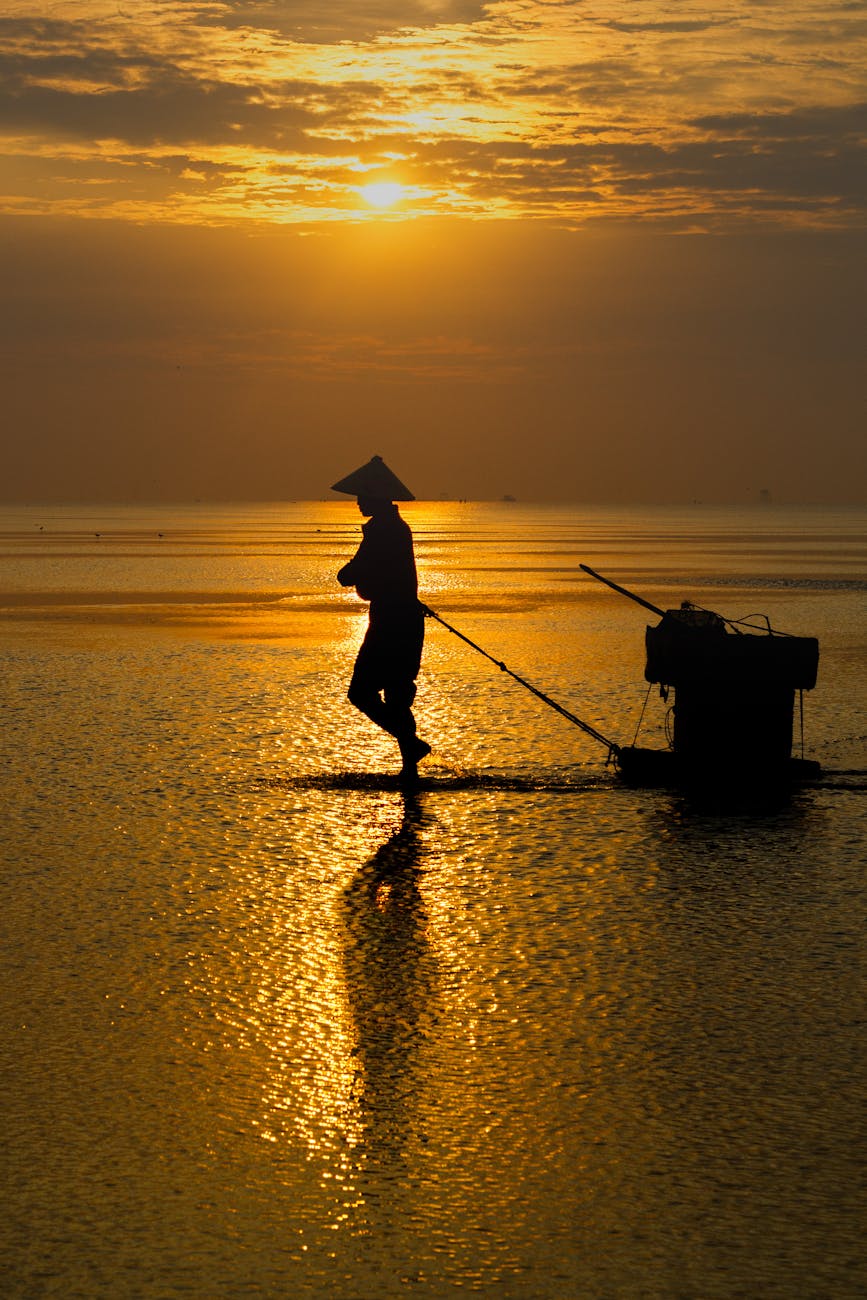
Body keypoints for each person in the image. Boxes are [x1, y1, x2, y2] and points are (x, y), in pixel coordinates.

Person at [333, 455, 430, 782]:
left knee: (361, 693)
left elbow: (351, 573)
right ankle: (410, 769)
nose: (359, 502)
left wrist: (347, 573)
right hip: (405, 620)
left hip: (391, 623)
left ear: (375, 496)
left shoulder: (382, 529)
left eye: (363, 496)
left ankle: (410, 746)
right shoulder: (397, 527)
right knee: (398, 695)